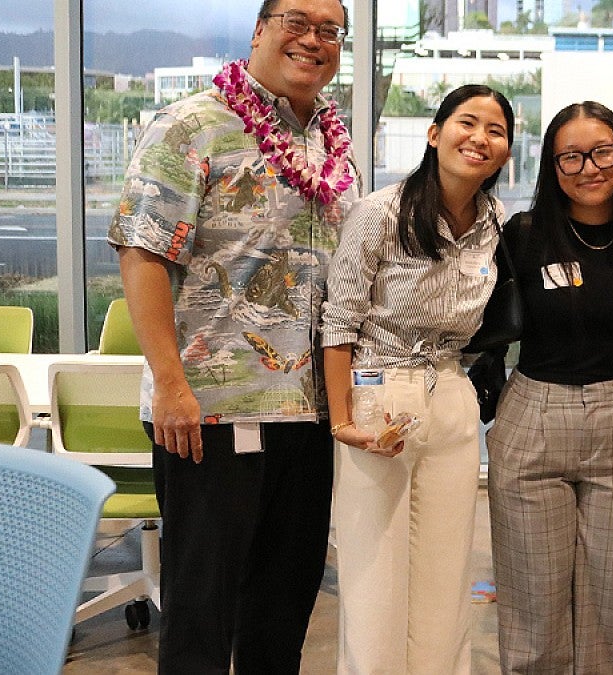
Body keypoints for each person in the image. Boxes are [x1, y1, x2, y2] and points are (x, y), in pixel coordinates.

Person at [108, 1, 356, 672]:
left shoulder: (331, 143)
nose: (313, 40)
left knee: (283, 612)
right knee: (200, 618)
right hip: (209, 413)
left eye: (329, 30)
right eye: (295, 22)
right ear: (259, 29)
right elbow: (143, 253)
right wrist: (170, 385)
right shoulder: (194, 124)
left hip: (307, 415)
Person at [319, 84, 513, 674]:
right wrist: (343, 419)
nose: (480, 138)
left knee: (445, 574)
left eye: (496, 130)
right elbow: (339, 322)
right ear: (435, 134)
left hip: (451, 393)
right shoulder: (379, 213)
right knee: (375, 576)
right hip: (380, 391)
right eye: (467, 122)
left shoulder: (496, 223)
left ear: (506, 152)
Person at [486, 101, 613, 674]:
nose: (590, 167)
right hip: (535, 409)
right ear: (553, 168)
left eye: (603, 152)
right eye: (572, 157)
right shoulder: (525, 235)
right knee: (534, 609)